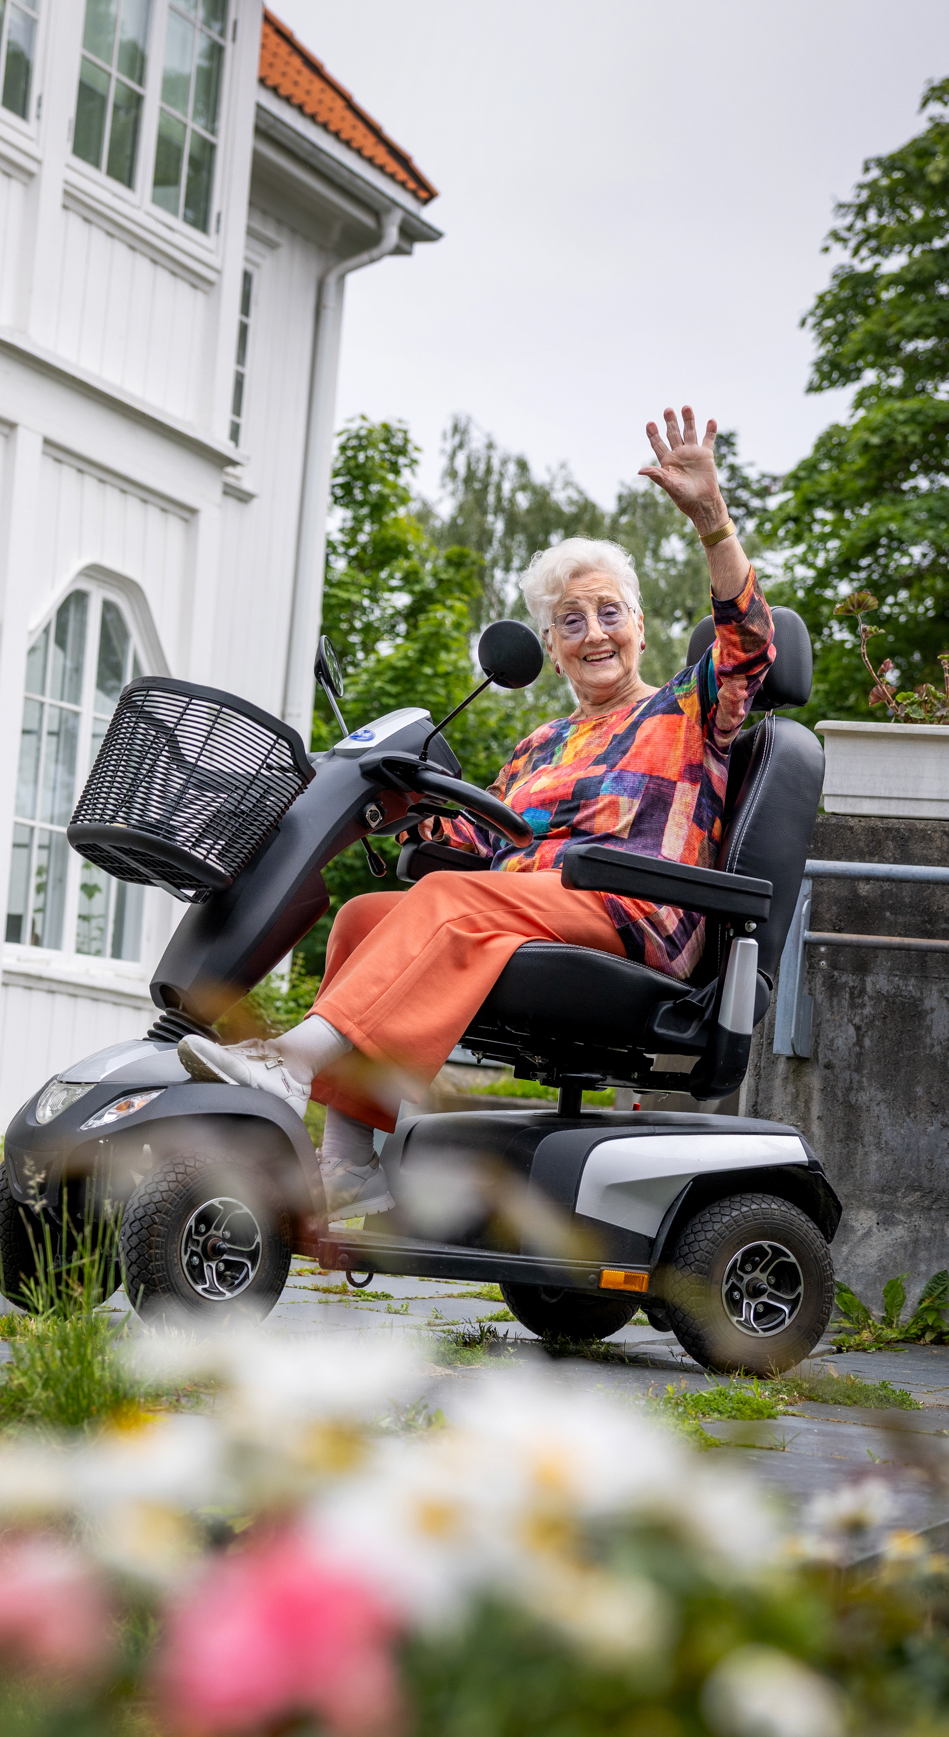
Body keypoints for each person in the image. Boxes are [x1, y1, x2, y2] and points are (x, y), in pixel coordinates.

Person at [178, 406, 775, 1215]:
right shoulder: (540, 743)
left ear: (639, 625)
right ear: (551, 644)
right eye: (570, 621)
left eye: (608, 613)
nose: (592, 633)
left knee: (450, 902)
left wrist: (712, 522)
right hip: (531, 906)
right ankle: (351, 1161)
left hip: (633, 909)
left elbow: (750, 647)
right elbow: (472, 838)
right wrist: (405, 805)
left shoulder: (688, 708)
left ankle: (290, 1063)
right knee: (364, 918)